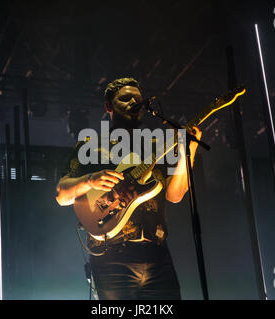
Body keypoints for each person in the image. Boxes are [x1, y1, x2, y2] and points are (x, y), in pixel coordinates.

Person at [55, 77, 202, 300]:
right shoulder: (91, 145)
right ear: (108, 106)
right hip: (111, 256)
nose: (134, 102)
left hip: (157, 254)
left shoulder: (156, 146)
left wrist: (187, 153)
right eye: (125, 98)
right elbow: (61, 195)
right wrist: (90, 180)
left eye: (138, 99)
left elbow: (174, 195)